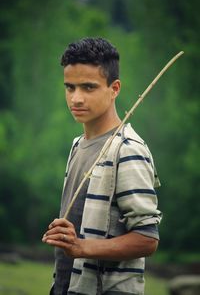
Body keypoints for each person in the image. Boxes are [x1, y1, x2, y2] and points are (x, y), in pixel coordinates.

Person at [42, 37, 162, 295]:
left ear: (115, 88)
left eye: (88, 87)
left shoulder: (128, 149)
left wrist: (81, 247)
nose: (76, 98)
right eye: (70, 87)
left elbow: (147, 238)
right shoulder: (78, 145)